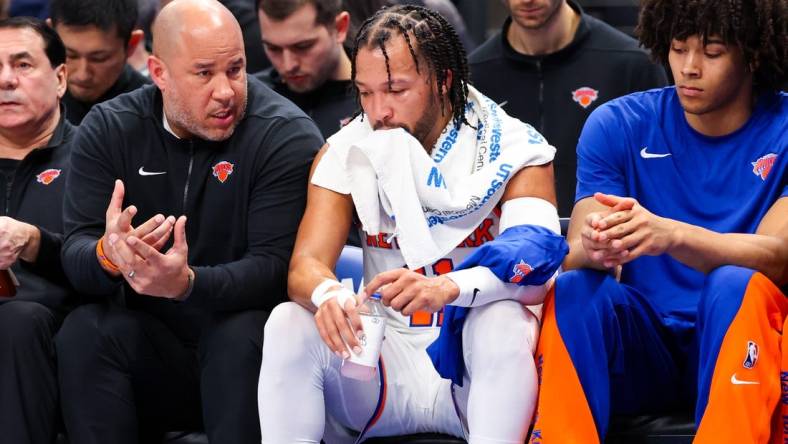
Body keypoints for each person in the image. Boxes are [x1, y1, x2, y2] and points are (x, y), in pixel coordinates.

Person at [258, 5, 567, 444]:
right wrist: (328, 295)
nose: (378, 111)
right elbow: (304, 267)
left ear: (443, 80)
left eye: (396, 89)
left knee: (504, 319)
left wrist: (448, 288)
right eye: (365, 93)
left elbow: (537, 267)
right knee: (288, 321)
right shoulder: (347, 149)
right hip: (381, 358)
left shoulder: (516, 147)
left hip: (471, 355)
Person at [55, 0, 322, 443]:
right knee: (86, 331)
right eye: (204, 73)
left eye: (235, 69)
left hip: (249, 354)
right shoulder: (109, 128)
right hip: (156, 354)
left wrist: (188, 283)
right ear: (159, 73)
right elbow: (76, 251)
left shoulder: (285, 134)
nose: (225, 91)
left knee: (243, 332)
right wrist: (109, 255)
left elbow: (277, 268)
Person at [530, 0, 787, 442]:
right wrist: (597, 244)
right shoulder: (618, 124)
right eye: (678, 48)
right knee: (574, 288)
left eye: (712, 52)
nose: (688, 67)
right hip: (644, 350)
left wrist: (670, 235)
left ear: (752, 53)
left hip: (740, 342)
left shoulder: (782, 127)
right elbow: (577, 253)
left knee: (736, 284)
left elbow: (778, 257)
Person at [469, 0, 667, 216]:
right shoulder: (473, 77)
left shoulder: (632, 65)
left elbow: (660, 180)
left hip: (608, 240)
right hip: (509, 243)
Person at [0, 16, 76, 444]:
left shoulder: (94, 157)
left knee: (18, 320)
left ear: (60, 77)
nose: (5, 80)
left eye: (23, 65)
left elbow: (108, 266)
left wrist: (32, 243)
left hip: (56, 333)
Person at [255, 0, 355, 139]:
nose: (288, 65)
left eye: (303, 46)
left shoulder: (378, 102)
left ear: (339, 28)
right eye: (274, 49)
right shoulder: (252, 97)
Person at [49, 0, 149, 124]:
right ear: (50, 35)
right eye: (70, 55)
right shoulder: (30, 96)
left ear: (131, 45)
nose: (82, 75)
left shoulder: (153, 111)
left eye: (99, 59)